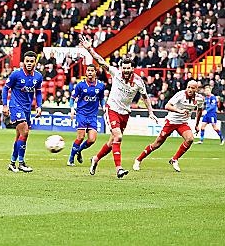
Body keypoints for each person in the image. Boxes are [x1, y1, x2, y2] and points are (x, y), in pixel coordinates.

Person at [79, 35, 158, 179]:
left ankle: (95, 159)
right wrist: (90, 49)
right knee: (118, 136)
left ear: (132, 68)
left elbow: (145, 97)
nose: (126, 70)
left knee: (111, 142)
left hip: (125, 113)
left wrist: (151, 112)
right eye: (124, 68)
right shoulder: (116, 73)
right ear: (122, 67)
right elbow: (101, 61)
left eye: (128, 68)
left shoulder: (139, 82)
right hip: (112, 109)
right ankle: (119, 169)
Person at [134, 80, 203, 172]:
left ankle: (174, 159)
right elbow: (167, 106)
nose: (190, 89)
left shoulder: (199, 98)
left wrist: (197, 124)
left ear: (197, 89)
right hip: (171, 122)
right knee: (157, 144)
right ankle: (138, 159)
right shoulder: (180, 95)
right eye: (188, 87)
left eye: (192, 88)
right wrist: (179, 111)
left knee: (190, 139)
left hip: (182, 123)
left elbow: (199, 110)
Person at [2, 51, 43, 173]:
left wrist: (39, 106)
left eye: (32, 61)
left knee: (20, 136)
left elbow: (39, 92)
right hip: (16, 106)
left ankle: (12, 163)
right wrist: (5, 105)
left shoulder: (38, 76)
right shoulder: (16, 74)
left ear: (35, 62)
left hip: (27, 108)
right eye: (27, 61)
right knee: (25, 131)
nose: (29, 63)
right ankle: (21, 163)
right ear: (23, 62)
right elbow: (5, 88)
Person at [67, 64, 105, 166]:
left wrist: (104, 106)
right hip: (81, 114)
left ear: (95, 72)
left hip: (93, 115)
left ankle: (79, 150)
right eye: (88, 70)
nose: (89, 72)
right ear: (86, 72)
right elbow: (72, 98)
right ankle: (70, 159)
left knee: (92, 140)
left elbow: (101, 98)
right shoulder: (80, 85)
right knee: (81, 137)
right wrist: (72, 109)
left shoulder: (101, 85)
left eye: (92, 70)